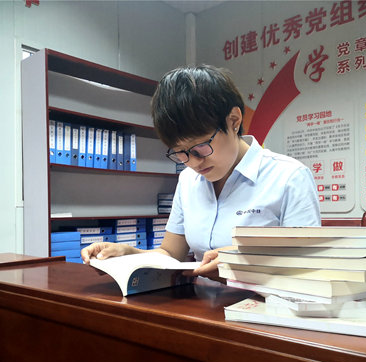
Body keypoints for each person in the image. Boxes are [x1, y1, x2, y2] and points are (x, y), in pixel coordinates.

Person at [81, 65, 321, 280]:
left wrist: (244, 262)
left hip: (263, 310)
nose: (193, 162)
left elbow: (308, 269)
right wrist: (128, 253)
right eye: (180, 152)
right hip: (199, 307)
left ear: (234, 120)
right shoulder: (188, 180)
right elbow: (170, 254)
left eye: (201, 147)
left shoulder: (289, 177)